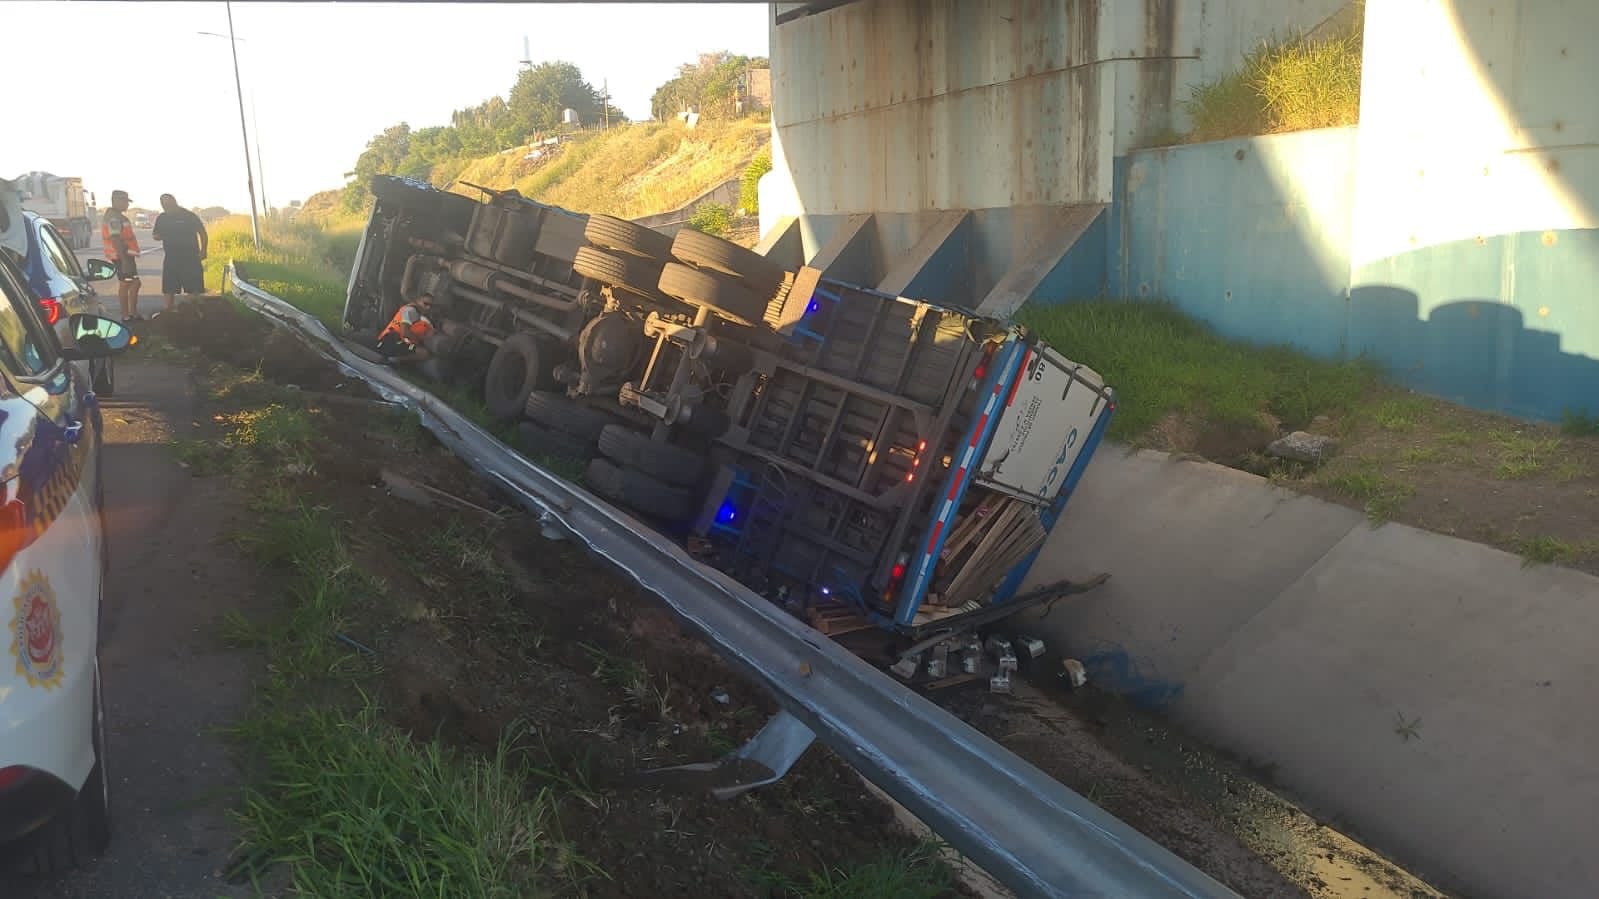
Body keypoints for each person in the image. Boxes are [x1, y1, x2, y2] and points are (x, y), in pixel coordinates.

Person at [150, 194, 208, 313]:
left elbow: (202, 232)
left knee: (193, 289)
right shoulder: (162, 218)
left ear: (174, 202)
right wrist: (159, 236)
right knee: (168, 289)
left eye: (168, 204)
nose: (166, 207)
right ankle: (168, 314)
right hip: (171, 258)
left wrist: (203, 250)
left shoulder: (188, 215)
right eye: (164, 205)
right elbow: (155, 235)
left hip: (191, 257)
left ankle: (195, 313)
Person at [100, 190, 141, 321]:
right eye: (124, 201)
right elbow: (115, 238)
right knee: (129, 283)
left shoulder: (116, 215)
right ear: (116, 201)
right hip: (122, 256)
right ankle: (128, 315)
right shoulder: (114, 217)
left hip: (124, 256)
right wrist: (124, 261)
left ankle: (130, 314)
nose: (127, 205)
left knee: (132, 283)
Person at [374, 292, 436, 363]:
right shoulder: (410, 311)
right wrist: (418, 342)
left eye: (431, 306)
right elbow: (405, 332)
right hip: (388, 341)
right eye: (425, 304)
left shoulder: (418, 314)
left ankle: (394, 359)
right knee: (424, 353)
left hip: (396, 341)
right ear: (418, 301)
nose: (428, 307)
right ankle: (393, 360)